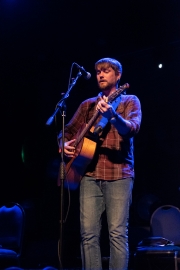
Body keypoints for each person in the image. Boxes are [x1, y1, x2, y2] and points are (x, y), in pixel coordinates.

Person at [58, 57, 142, 270]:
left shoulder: (129, 100)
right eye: (98, 72)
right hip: (89, 175)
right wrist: (63, 144)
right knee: (88, 235)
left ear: (118, 75)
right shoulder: (87, 105)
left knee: (117, 233)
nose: (101, 75)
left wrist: (113, 116)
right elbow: (65, 131)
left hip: (119, 175)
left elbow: (131, 129)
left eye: (106, 70)